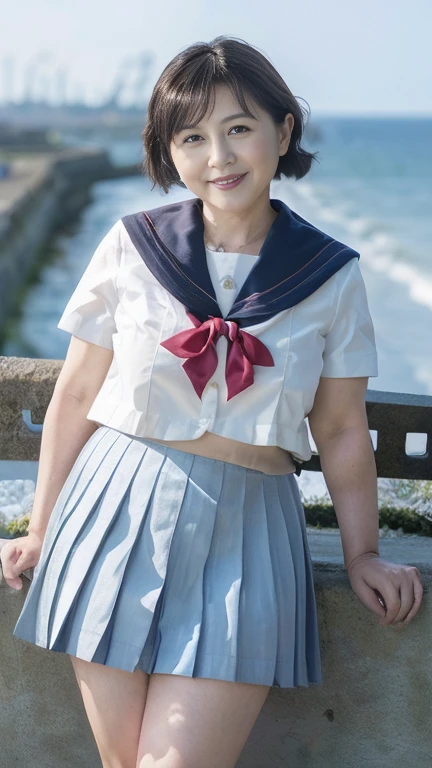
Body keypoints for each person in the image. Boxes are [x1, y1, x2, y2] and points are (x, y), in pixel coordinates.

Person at [1, 35, 423, 768]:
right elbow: (74, 396)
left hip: (249, 531)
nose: (218, 157)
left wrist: (364, 554)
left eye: (238, 129)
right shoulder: (132, 247)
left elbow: (343, 431)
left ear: (281, 131)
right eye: (192, 136)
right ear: (169, 151)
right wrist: (42, 530)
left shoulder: (330, 276)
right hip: (112, 513)